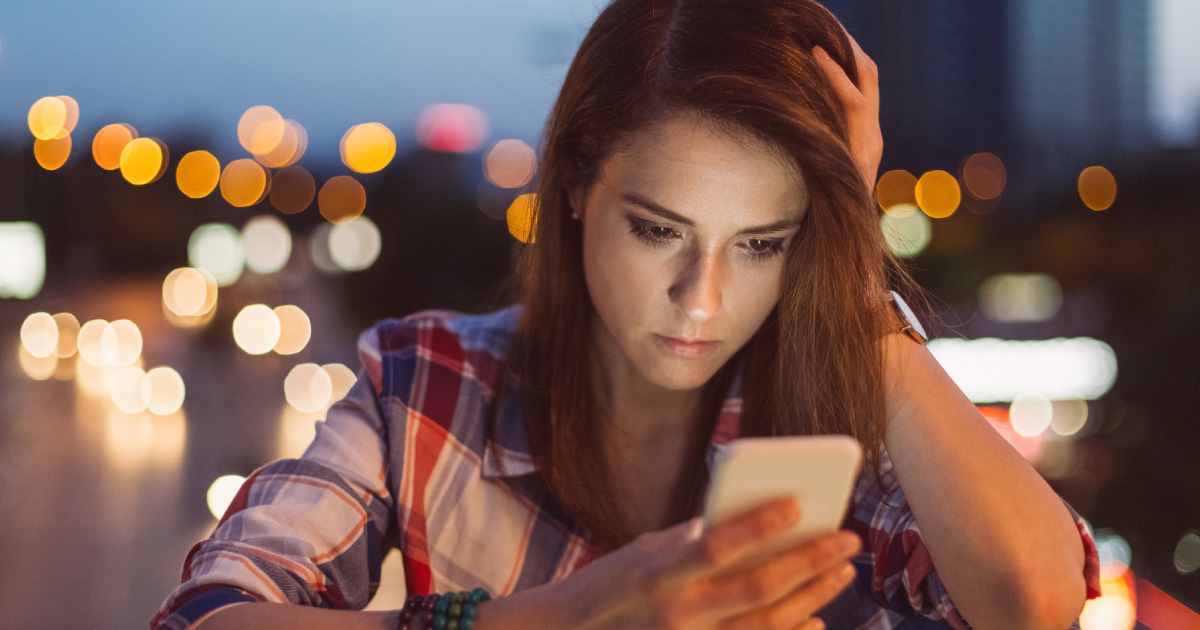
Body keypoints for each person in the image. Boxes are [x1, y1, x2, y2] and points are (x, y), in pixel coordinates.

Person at [151, 0, 1101, 628]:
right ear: (572, 185)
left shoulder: (835, 430)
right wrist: (584, 612)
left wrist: (849, 262)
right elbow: (209, 613)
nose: (704, 299)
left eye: (763, 244)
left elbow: (1038, 601)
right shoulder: (427, 386)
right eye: (658, 231)